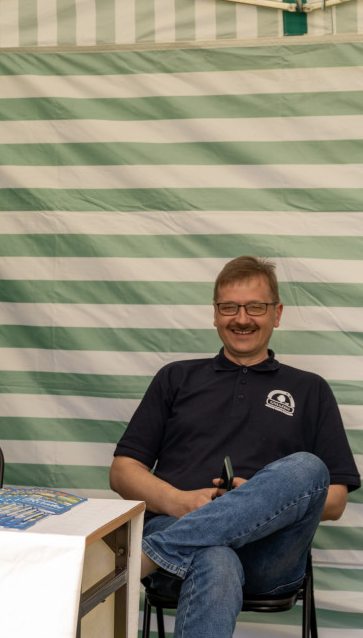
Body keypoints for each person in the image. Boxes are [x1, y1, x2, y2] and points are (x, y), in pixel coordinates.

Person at [110, 256, 359, 637]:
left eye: (255, 307)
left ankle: (150, 555)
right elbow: (123, 471)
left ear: (276, 314)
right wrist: (181, 502)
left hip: (269, 555)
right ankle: (172, 547)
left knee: (308, 467)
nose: (242, 318)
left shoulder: (311, 389)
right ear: (215, 314)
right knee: (217, 557)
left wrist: (260, 500)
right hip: (177, 536)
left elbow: (336, 500)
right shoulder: (175, 378)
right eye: (230, 307)